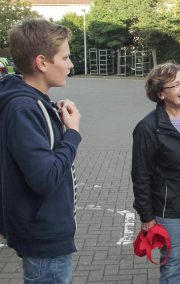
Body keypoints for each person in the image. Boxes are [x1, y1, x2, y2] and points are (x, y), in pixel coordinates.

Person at [0, 19, 81, 283]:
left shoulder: (34, 104)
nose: (70, 65)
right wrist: (72, 134)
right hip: (44, 237)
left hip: (45, 232)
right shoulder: (23, 109)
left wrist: (51, 111)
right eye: (66, 58)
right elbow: (44, 178)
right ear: (42, 62)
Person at [131, 62, 180, 284]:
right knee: (173, 259)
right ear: (160, 94)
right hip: (168, 206)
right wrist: (146, 216)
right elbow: (141, 174)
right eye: (175, 85)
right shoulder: (148, 127)